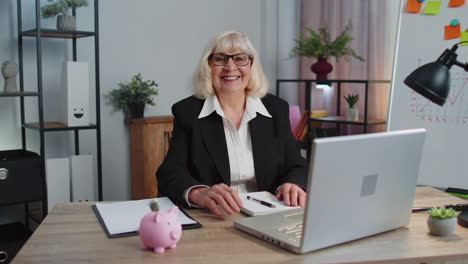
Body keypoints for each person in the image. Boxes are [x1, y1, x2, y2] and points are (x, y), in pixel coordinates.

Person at [156, 30, 308, 217]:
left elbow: (296, 164)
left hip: (268, 214)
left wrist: (292, 184)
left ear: (251, 65)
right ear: (209, 66)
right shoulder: (188, 112)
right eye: (220, 59)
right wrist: (199, 193)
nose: (230, 66)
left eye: (240, 59)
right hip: (215, 216)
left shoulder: (276, 109)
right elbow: (170, 172)